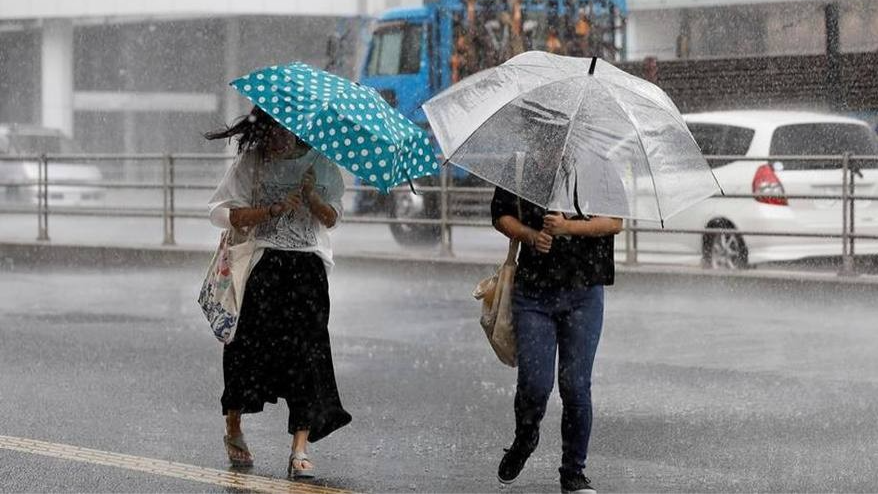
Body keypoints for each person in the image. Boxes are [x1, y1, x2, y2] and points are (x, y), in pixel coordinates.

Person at [204, 107, 351, 477]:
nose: (278, 137)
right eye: (272, 130)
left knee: (308, 353)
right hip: (263, 266)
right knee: (245, 349)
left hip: (308, 270)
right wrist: (269, 209)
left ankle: (299, 448)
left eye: (284, 129)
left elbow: (332, 217)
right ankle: (234, 427)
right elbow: (227, 214)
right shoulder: (252, 162)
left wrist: (311, 197)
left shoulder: (321, 161)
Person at [491, 186, 622, 494]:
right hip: (533, 294)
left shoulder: (599, 164)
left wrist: (568, 227)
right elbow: (500, 215)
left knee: (576, 386)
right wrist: (531, 236)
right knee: (535, 384)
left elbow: (614, 222)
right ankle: (525, 438)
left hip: (585, 292)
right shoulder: (525, 161)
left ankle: (573, 472)